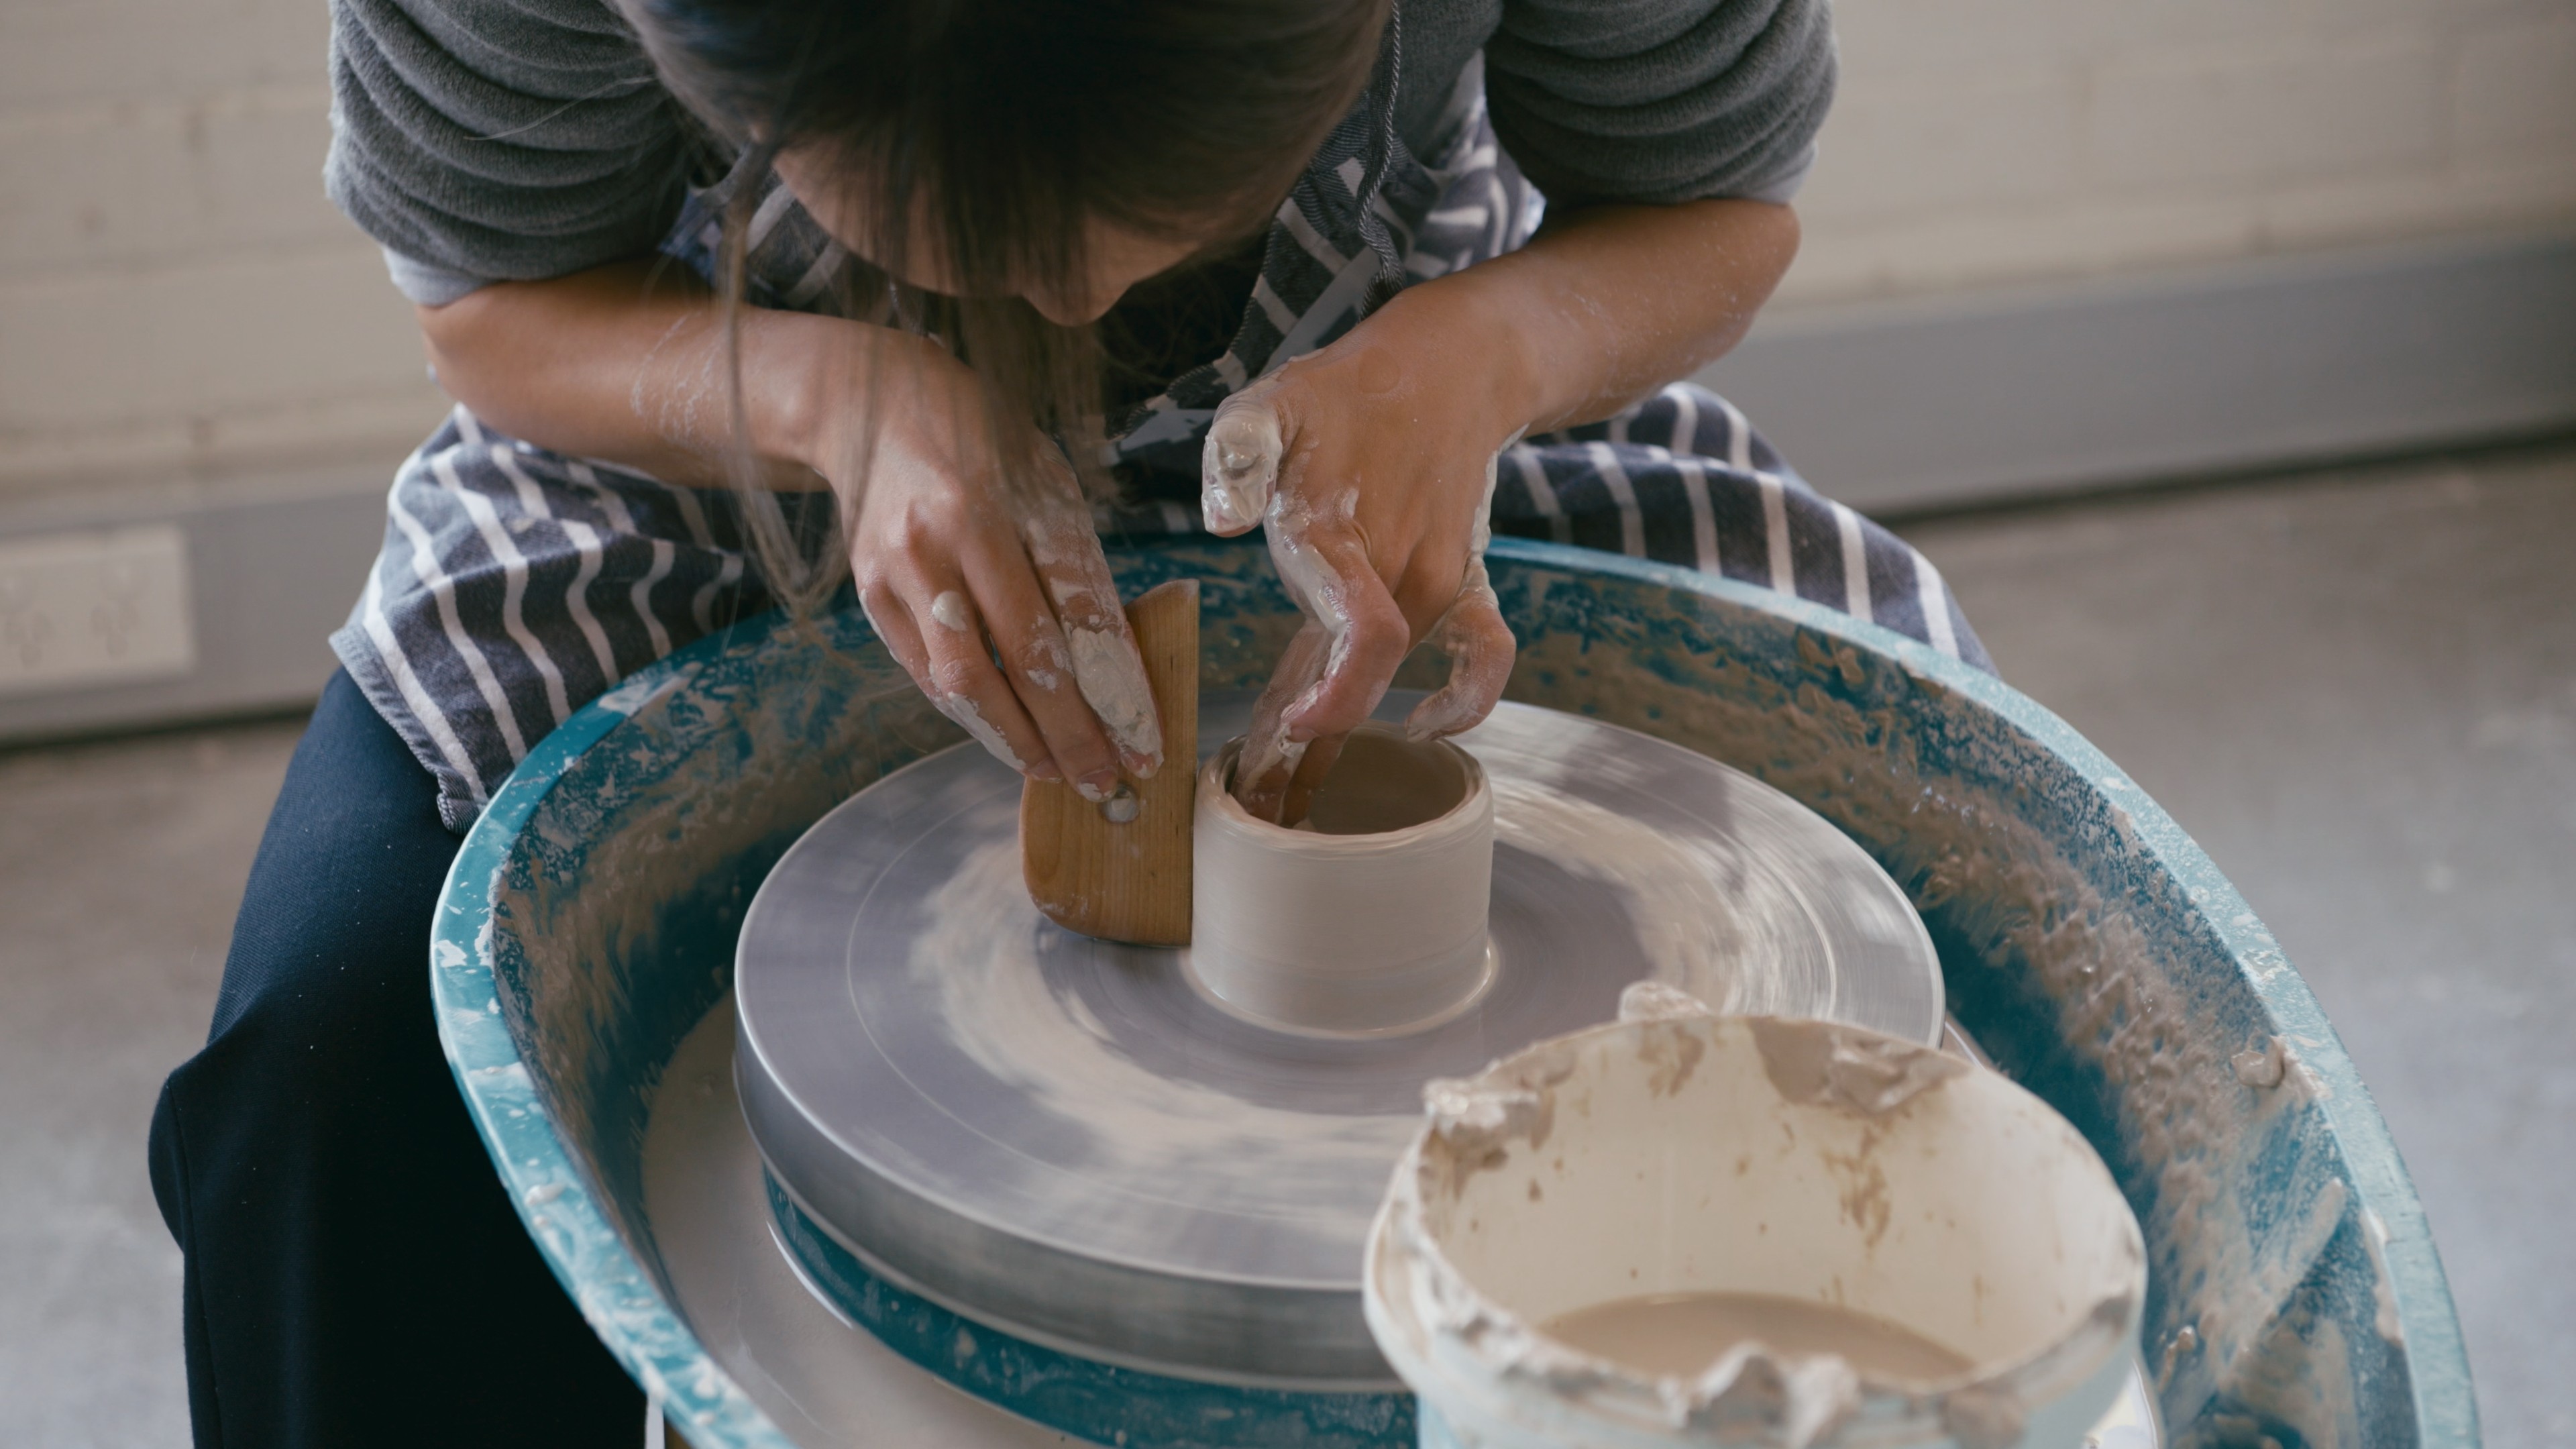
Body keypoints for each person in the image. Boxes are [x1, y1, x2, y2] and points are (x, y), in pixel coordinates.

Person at [148, 0, 1994, 1443]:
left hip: (1406, 360)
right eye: (980, 240)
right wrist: (835, 398)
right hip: (724, 413)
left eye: (1141, 228)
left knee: (1962, 894)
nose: (1068, 308)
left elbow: (1714, 207)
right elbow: (492, 301)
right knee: (333, 1078)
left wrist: (1488, 353)